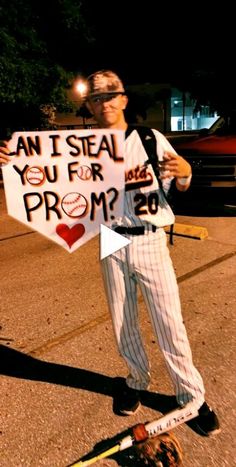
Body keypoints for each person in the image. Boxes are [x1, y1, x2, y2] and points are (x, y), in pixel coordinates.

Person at [0, 70, 220, 438]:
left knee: (170, 324)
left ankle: (192, 397)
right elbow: (44, 177)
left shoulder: (149, 138)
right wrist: (11, 161)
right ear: (90, 104)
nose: (103, 104)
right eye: (96, 98)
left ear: (123, 100)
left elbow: (179, 180)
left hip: (149, 237)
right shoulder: (80, 148)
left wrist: (185, 172)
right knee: (123, 319)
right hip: (111, 238)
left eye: (110, 96)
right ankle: (136, 380)